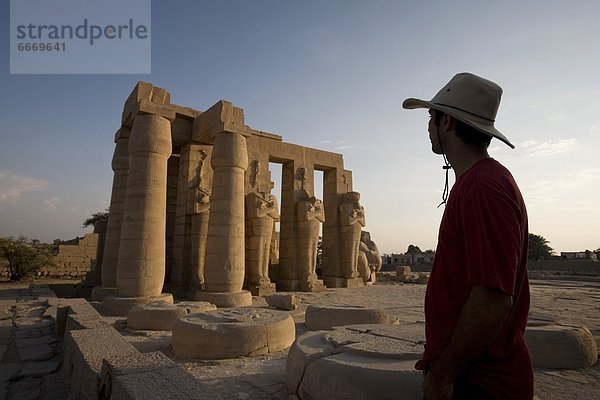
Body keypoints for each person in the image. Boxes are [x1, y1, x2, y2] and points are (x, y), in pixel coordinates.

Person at [402, 73, 533, 400]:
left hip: (480, 382)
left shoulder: (483, 187)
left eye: (432, 116)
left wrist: (444, 373)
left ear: (447, 122)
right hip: (470, 375)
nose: (428, 125)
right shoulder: (476, 183)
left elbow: (492, 297)